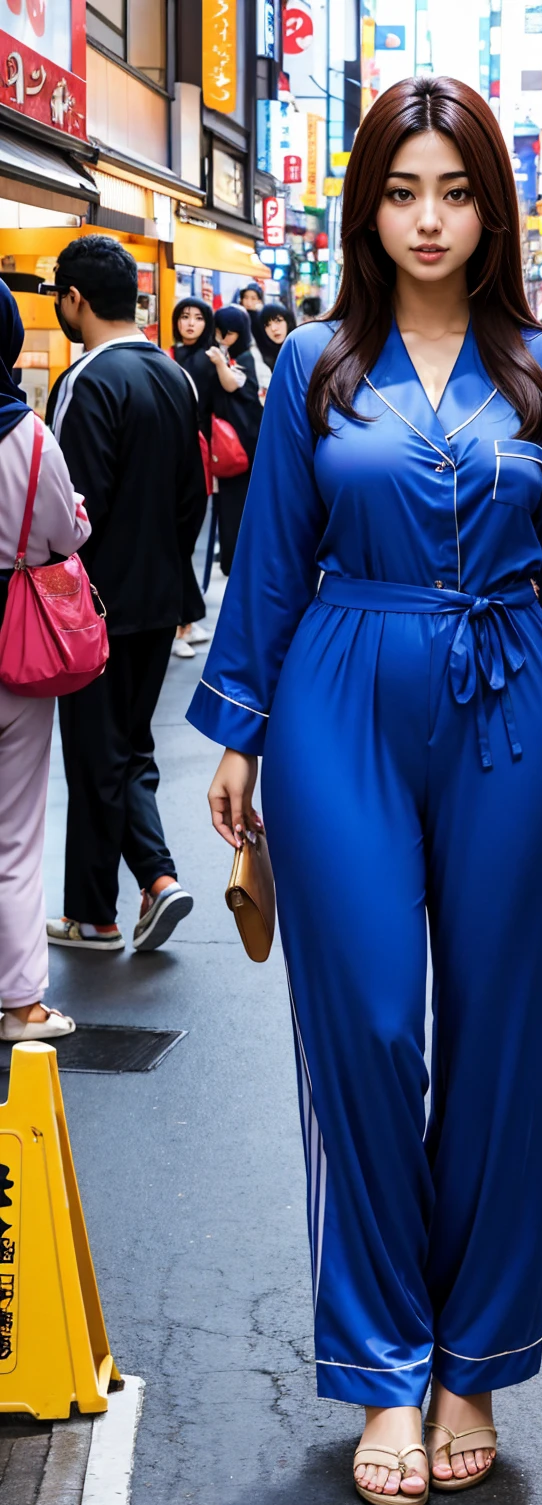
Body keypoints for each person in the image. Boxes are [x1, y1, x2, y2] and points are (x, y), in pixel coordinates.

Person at [188, 75, 542, 1505]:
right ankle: (387, 1363)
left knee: (504, 1040)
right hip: (339, 700)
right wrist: (238, 730)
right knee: (371, 1027)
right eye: (403, 191)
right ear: (367, 206)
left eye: (455, 192)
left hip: (514, 695)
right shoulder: (317, 366)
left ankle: (474, 1361)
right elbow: (270, 555)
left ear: (492, 209)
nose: (431, 218)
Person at [43, 235, 206, 954]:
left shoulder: (87, 381)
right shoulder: (176, 377)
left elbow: (73, 511)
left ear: (74, 300)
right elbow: (191, 498)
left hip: (95, 607)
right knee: (125, 748)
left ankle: (105, 909)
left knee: (94, 753)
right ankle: (142, 888)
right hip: (160, 598)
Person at [0, 281, 91, 1042]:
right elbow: (65, 535)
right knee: (16, 831)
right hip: (14, 643)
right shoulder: (28, 438)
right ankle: (21, 1002)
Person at [171, 297, 214, 658]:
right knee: (178, 542)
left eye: (198, 318)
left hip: (198, 456)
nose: (190, 323)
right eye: (184, 317)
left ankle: (184, 621)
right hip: (175, 457)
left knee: (183, 540)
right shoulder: (168, 356)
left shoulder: (208, 358)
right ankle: (181, 623)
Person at [205, 305, 262, 577]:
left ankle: (233, 561)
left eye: (224, 332)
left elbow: (232, 385)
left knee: (234, 506)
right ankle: (234, 559)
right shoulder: (241, 355)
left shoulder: (245, 359)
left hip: (239, 448)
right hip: (241, 446)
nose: (219, 336)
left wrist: (218, 362)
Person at [253, 301, 294, 382]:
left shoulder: (300, 349)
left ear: (288, 322)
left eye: (278, 321)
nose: (273, 328)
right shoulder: (259, 357)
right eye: (267, 325)